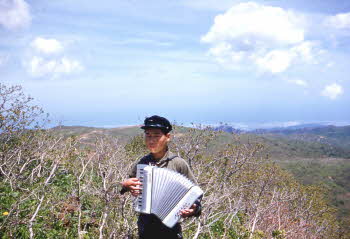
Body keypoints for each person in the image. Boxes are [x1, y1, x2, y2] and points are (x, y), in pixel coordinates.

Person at [120, 115, 202, 239]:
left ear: (167, 137)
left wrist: (194, 209)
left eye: (156, 135)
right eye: (148, 135)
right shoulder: (142, 163)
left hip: (170, 230)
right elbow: (127, 184)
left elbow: (196, 194)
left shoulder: (178, 163)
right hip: (145, 227)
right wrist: (126, 186)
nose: (151, 140)